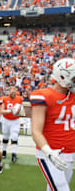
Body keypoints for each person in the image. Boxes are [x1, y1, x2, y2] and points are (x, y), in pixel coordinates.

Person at [31, 58, 75, 191]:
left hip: (70, 153)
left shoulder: (72, 96)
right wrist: (49, 153)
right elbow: (36, 131)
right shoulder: (44, 96)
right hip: (51, 153)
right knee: (62, 189)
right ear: (62, 77)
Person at [1, 86, 23, 163]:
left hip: (15, 120)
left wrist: (20, 112)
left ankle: (14, 154)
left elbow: (22, 110)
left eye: (14, 92)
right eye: (11, 92)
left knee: (14, 136)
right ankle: (4, 151)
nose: (13, 93)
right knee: (5, 136)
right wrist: (9, 111)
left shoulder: (20, 99)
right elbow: (1, 110)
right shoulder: (4, 99)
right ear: (9, 92)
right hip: (6, 120)